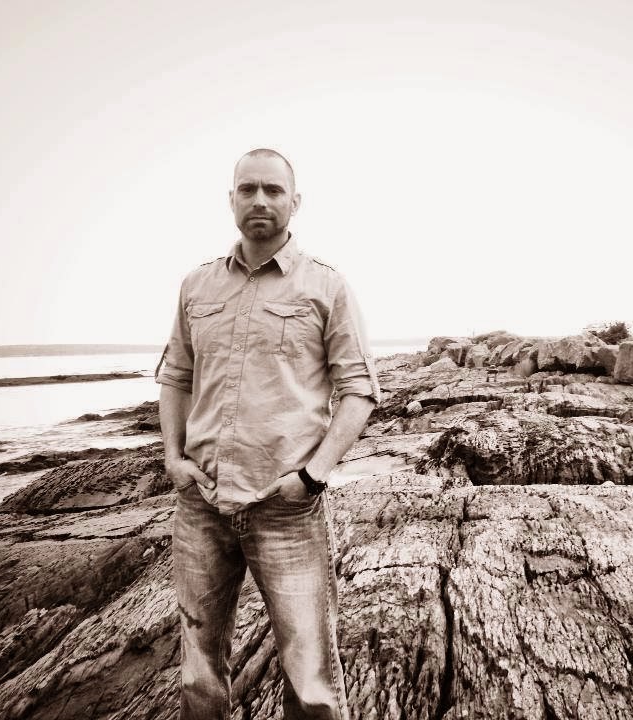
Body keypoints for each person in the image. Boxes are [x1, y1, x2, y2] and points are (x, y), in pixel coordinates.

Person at [155, 148, 379, 720]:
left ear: (294, 202)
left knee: (310, 678)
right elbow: (176, 376)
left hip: (287, 508)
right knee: (199, 673)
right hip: (201, 503)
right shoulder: (196, 285)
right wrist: (174, 458)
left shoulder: (326, 286)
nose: (260, 200)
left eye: (273, 190)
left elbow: (359, 391)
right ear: (230, 199)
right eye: (248, 189)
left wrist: (312, 476)